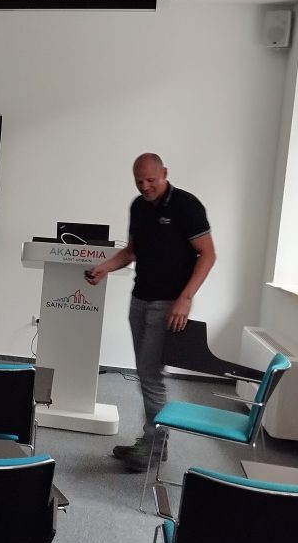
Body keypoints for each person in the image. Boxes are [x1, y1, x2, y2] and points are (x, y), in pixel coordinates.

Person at [85, 153, 216, 472]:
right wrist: (104, 268)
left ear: (164, 173)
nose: (145, 186)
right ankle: (152, 440)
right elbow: (132, 251)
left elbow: (208, 254)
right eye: (139, 181)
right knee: (146, 373)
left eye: (150, 180)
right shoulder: (138, 207)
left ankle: (154, 445)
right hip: (139, 300)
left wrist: (185, 298)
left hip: (169, 305)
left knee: (150, 374)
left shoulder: (187, 205)